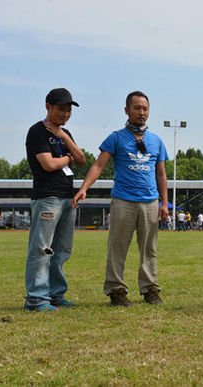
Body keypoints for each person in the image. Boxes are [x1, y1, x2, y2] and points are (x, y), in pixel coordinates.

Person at [73, 91, 169, 307]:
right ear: (126, 110)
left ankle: (150, 289)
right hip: (123, 200)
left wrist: (164, 203)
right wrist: (84, 188)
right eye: (136, 108)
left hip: (150, 201)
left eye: (145, 108)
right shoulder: (116, 138)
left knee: (149, 248)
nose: (141, 112)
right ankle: (116, 290)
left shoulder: (156, 141)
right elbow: (99, 165)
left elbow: (161, 173)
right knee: (118, 246)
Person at [24, 88, 87, 311]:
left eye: (69, 110)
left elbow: (81, 159)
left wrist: (64, 138)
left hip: (68, 198)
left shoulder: (65, 133)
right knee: (42, 250)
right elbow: (48, 164)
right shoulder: (36, 132)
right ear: (48, 106)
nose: (65, 114)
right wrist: (67, 158)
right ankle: (36, 299)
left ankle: (56, 294)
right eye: (61, 109)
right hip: (47, 197)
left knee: (61, 251)